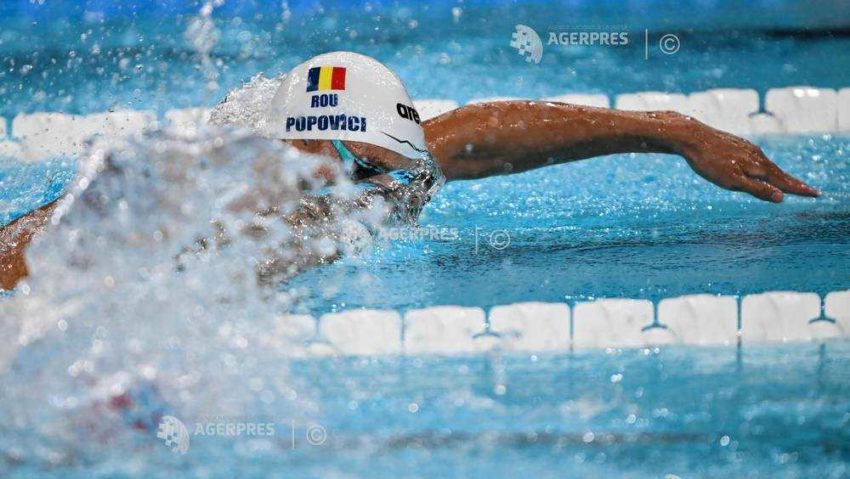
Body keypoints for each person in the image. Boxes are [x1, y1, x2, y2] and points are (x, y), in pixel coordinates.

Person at [0, 51, 820, 290]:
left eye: (408, 179)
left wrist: (673, 131)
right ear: (303, 150)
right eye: (372, 175)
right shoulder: (200, 200)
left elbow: (487, 137)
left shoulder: (375, 169)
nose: (395, 201)